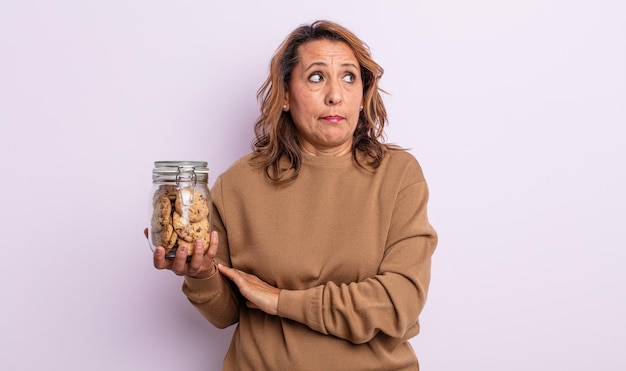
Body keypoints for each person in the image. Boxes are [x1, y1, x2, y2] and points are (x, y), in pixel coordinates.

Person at [151, 20, 438, 370]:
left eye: (349, 77)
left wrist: (279, 301)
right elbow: (225, 313)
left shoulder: (398, 175)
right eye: (317, 77)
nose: (335, 94)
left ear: (363, 94)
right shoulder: (238, 183)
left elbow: (398, 303)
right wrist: (201, 275)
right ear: (285, 95)